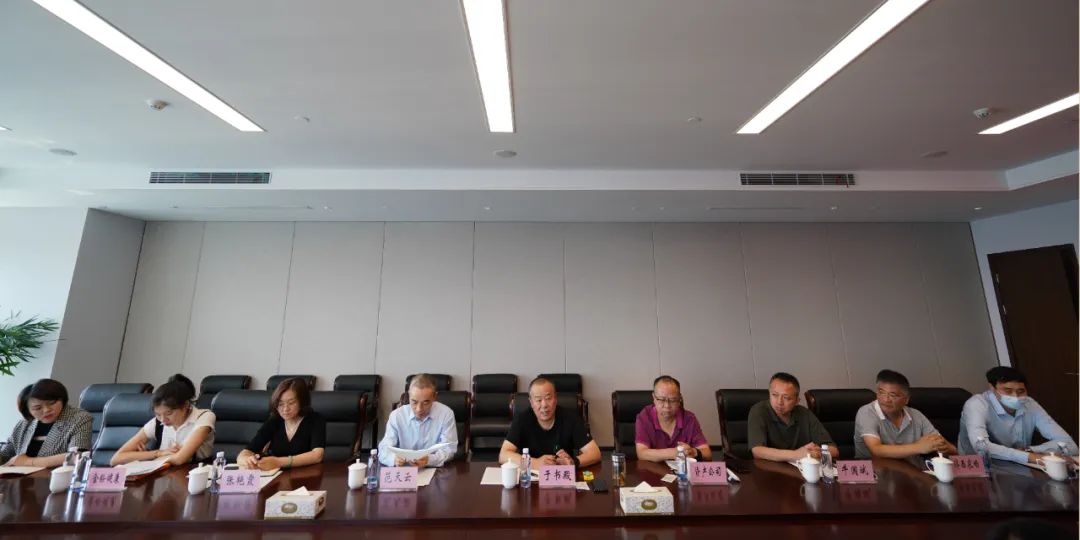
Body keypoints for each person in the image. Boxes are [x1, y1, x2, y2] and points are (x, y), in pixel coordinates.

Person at [958, 366, 1078, 464]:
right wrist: (1029, 456)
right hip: (980, 467)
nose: (1015, 396)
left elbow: (1069, 444)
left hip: (1021, 466)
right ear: (992, 388)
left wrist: (1030, 450)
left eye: (1021, 391)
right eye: (1008, 391)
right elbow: (981, 447)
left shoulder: (1029, 403)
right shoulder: (976, 404)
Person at [111, 374, 216, 466]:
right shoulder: (156, 423)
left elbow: (179, 459)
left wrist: (145, 457)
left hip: (194, 474)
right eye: (158, 414)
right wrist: (157, 453)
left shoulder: (204, 417)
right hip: (164, 474)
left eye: (169, 413)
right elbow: (116, 459)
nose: (163, 420)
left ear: (185, 406)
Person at [499, 377, 601, 469]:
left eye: (548, 398)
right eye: (538, 400)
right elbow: (503, 455)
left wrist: (573, 462)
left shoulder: (570, 418)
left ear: (555, 399)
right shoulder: (522, 419)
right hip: (531, 477)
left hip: (561, 476)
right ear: (531, 402)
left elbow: (595, 453)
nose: (544, 405)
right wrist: (534, 463)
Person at [854, 369, 956, 460]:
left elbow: (940, 441)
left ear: (906, 399)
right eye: (881, 393)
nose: (886, 399)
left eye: (893, 395)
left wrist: (946, 447)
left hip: (914, 470)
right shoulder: (867, 412)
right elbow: (876, 450)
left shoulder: (916, 415)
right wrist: (919, 447)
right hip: (876, 471)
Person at [238, 377, 326, 470]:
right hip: (277, 475)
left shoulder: (315, 419)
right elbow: (247, 451)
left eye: (291, 403)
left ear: (302, 402)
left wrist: (277, 462)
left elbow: (317, 455)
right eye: (280, 404)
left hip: (307, 474)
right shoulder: (275, 420)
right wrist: (246, 459)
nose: (285, 409)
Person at [747, 372, 838, 462]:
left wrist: (814, 453)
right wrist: (796, 455)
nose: (779, 402)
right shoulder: (759, 411)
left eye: (786, 398)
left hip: (801, 469)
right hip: (769, 469)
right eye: (774, 395)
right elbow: (757, 451)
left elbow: (833, 450)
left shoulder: (805, 413)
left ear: (797, 401)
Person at [0, 379, 92, 467]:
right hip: (21, 475)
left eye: (52, 403)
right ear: (28, 410)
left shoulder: (79, 418)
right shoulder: (24, 423)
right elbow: (6, 454)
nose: (46, 410)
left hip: (56, 475)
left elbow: (77, 455)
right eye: (38, 408)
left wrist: (28, 462)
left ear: (62, 400)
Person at [377, 374, 457, 467]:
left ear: (434, 397)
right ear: (409, 396)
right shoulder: (397, 416)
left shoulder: (446, 414)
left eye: (425, 403)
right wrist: (393, 458)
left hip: (434, 469)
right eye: (414, 402)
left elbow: (449, 449)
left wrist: (429, 460)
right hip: (404, 469)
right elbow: (384, 449)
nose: (419, 409)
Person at [635, 375, 712, 462]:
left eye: (672, 400)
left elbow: (707, 453)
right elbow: (641, 453)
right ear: (654, 398)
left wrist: (693, 452)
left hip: (682, 470)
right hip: (653, 469)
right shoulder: (644, 417)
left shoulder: (689, 419)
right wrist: (674, 453)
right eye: (661, 399)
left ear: (679, 399)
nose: (667, 406)